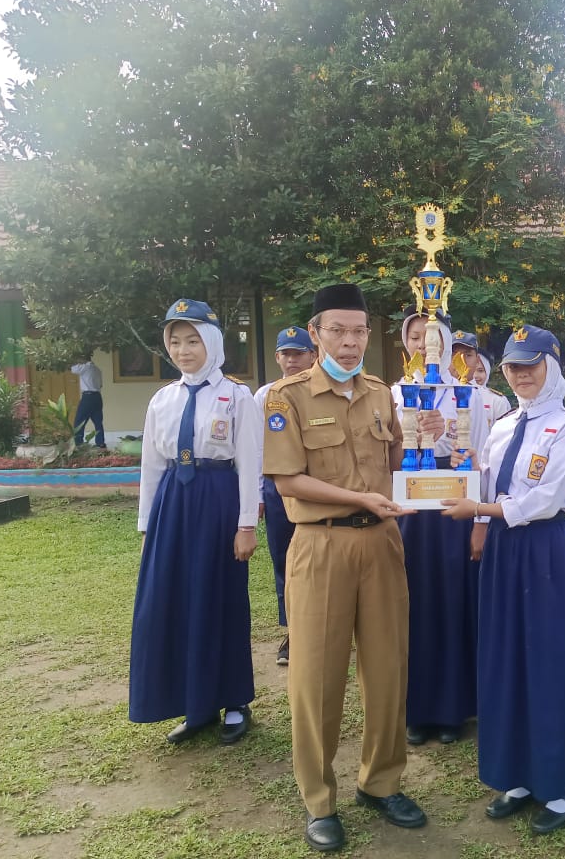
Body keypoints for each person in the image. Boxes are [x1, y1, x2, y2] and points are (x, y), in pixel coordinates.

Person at [262, 283, 426, 853]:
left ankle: (380, 783)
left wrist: (441, 447)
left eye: (359, 331)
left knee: (387, 669)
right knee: (316, 678)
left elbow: (400, 463)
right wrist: (360, 500)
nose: (352, 342)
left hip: (382, 545)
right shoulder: (288, 397)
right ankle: (319, 800)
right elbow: (287, 481)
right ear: (315, 334)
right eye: (339, 330)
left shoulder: (382, 394)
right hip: (321, 546)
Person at [441, 324, 565, 834]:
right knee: (506, 659)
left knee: (549, 661)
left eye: (532, 364)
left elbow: (546, 499)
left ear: (552, 367)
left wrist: (480, 508)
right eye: (512, 366)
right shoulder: (504, 425)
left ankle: (562, 782)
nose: (522, 374)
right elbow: (482, 478)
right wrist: (460, 467)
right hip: (505, 553)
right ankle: (520, 775)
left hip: (545, 550)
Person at [129, 298, 261, 746]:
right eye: (176, 341)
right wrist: (148, 524)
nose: (184, 350)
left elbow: (249, 463)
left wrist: (247, 524)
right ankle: (194, 702)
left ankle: (234, 701)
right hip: (173, 504)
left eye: (193, 340)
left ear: (212, 341)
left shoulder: (237, 396)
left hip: (218, 498)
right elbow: (151, 465)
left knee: (219, 596)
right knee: (173, 601)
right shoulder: (162, 400)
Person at [392, 313, 489, 747]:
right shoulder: (391, 393)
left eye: (432, 339)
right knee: (412, 604)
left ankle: (453, 709)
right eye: (415, 337)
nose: (422, 346)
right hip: (409, 511)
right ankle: (417, 708)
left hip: (454, 508)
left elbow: (482, 457)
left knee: (453, 602)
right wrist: (411, 431)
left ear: (448, 346)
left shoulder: (466, 391)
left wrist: (446, 432)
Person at [254, 326, 317, 665]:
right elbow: (252, 450)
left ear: (313, 355)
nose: (292, 360)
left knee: (320, 558)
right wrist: (256, 498)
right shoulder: (264, 395)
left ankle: (323, 626)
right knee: (284, 560)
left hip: (317, 486)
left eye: (298, 353)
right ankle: (294, 630)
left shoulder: (322, 391)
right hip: (277, 489)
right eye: (285, 354)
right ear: (277, 357)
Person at [71, 351, 106, 449]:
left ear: (82, 359)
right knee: (98, 421)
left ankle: (78, 443)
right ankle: (100, 443)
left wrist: (72, 360)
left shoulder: (85, 367)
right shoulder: (97, 370)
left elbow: (72, 369)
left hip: (88, 396)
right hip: (97, 397)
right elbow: (100, 385)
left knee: (79, 421)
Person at [473, 351, 513, 429]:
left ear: (487, 371)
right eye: (471, 370)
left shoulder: (497, 400)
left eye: (480, 370)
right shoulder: (451, 395)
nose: (475, 376)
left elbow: (503, 433)